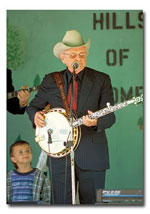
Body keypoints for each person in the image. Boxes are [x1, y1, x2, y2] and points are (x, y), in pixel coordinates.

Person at [26, 29, 116, 204]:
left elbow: (110, 116)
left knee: (94, 205)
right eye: (73, 55)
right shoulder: (51, 80)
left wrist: (96, 121)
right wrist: (35, 116)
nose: (78, 59)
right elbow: (33, 107)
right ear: (63, 58)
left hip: (93, 155)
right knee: (61, 204)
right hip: (60, 156)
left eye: (82, 54)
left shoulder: (101, 79)